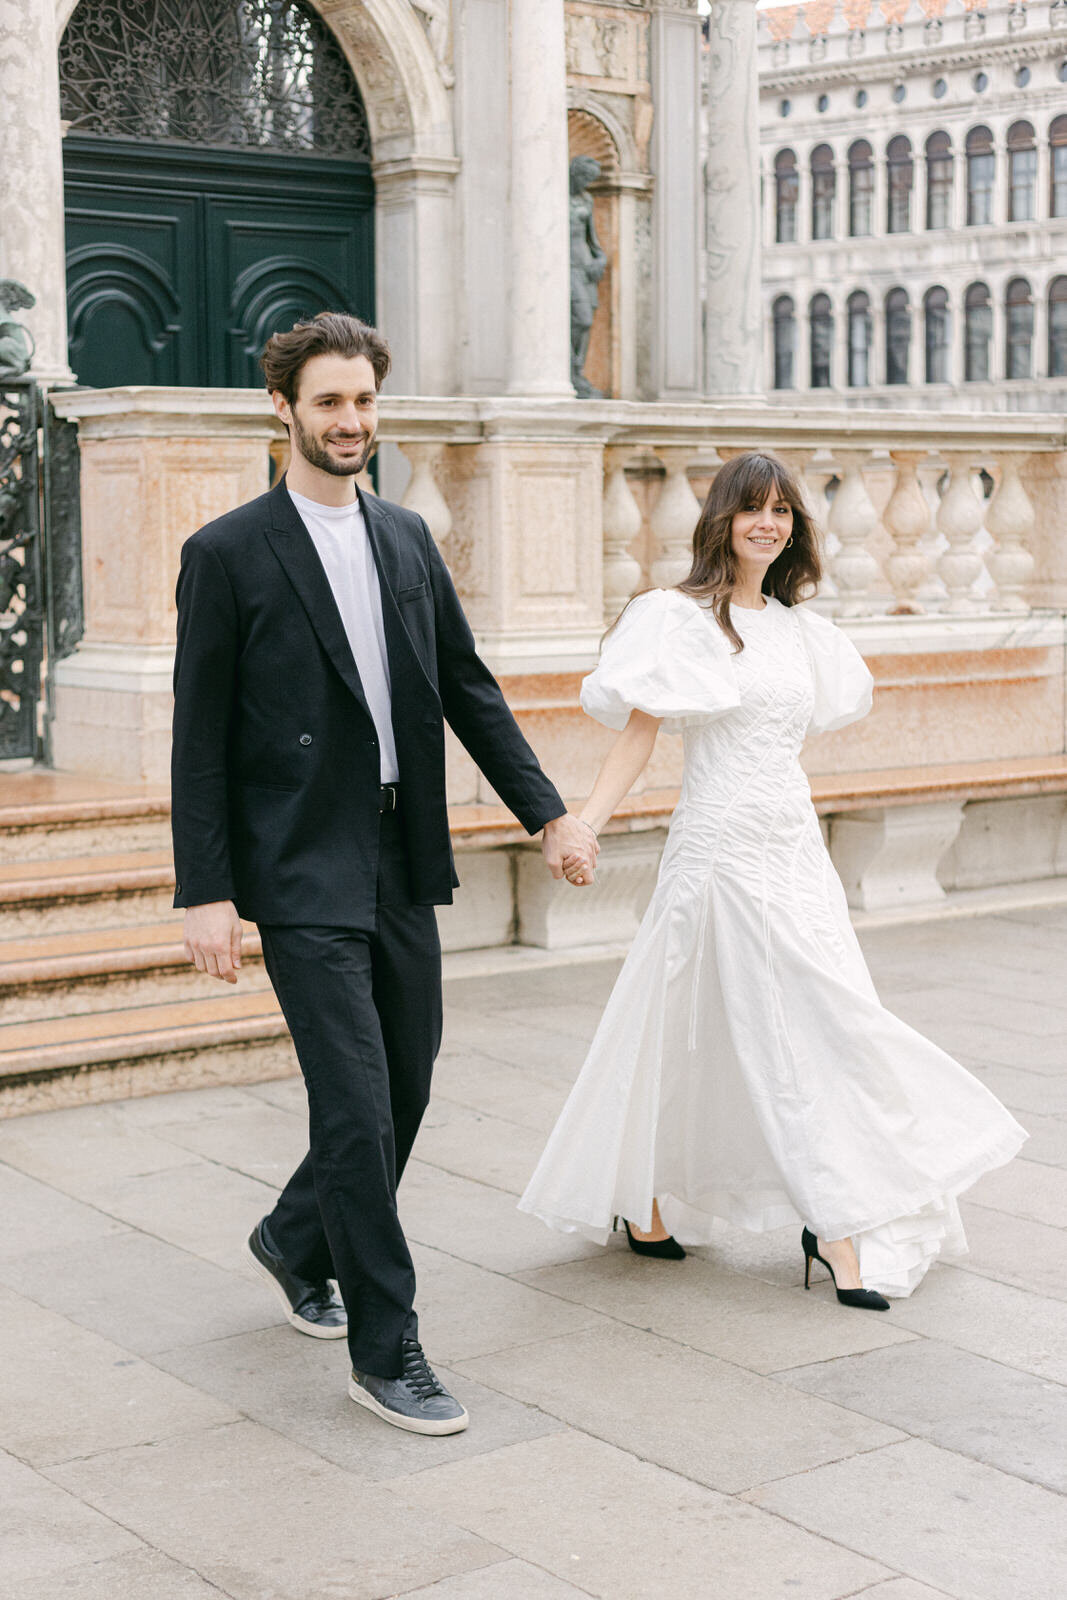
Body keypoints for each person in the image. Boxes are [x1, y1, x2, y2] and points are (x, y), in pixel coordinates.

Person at [171, 312, 597, 1435]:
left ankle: (291, 1236)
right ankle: (386, 1344)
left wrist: (546, 814)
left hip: (403, 856)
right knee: (355, 1106)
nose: (350, 421)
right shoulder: (225, 552)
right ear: (283, 409)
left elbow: (469, 690)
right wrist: (203, 888)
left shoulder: (407, 537)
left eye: (362, 400)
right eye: (327, 402)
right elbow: (197, 736)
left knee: (403, 1089)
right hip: (300, 865)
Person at [519, 450, 1026, 1306]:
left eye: (782, 510)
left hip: (791, 844)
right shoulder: (674, 618)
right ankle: (818, 1220)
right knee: (700, 1019)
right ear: (719, 519)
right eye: (751, 508)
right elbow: (640, 737)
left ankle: (787, 1202)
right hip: (715, 848)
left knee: (819, 1013)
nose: (768, 523)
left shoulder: (803, 632)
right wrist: (584, 827)